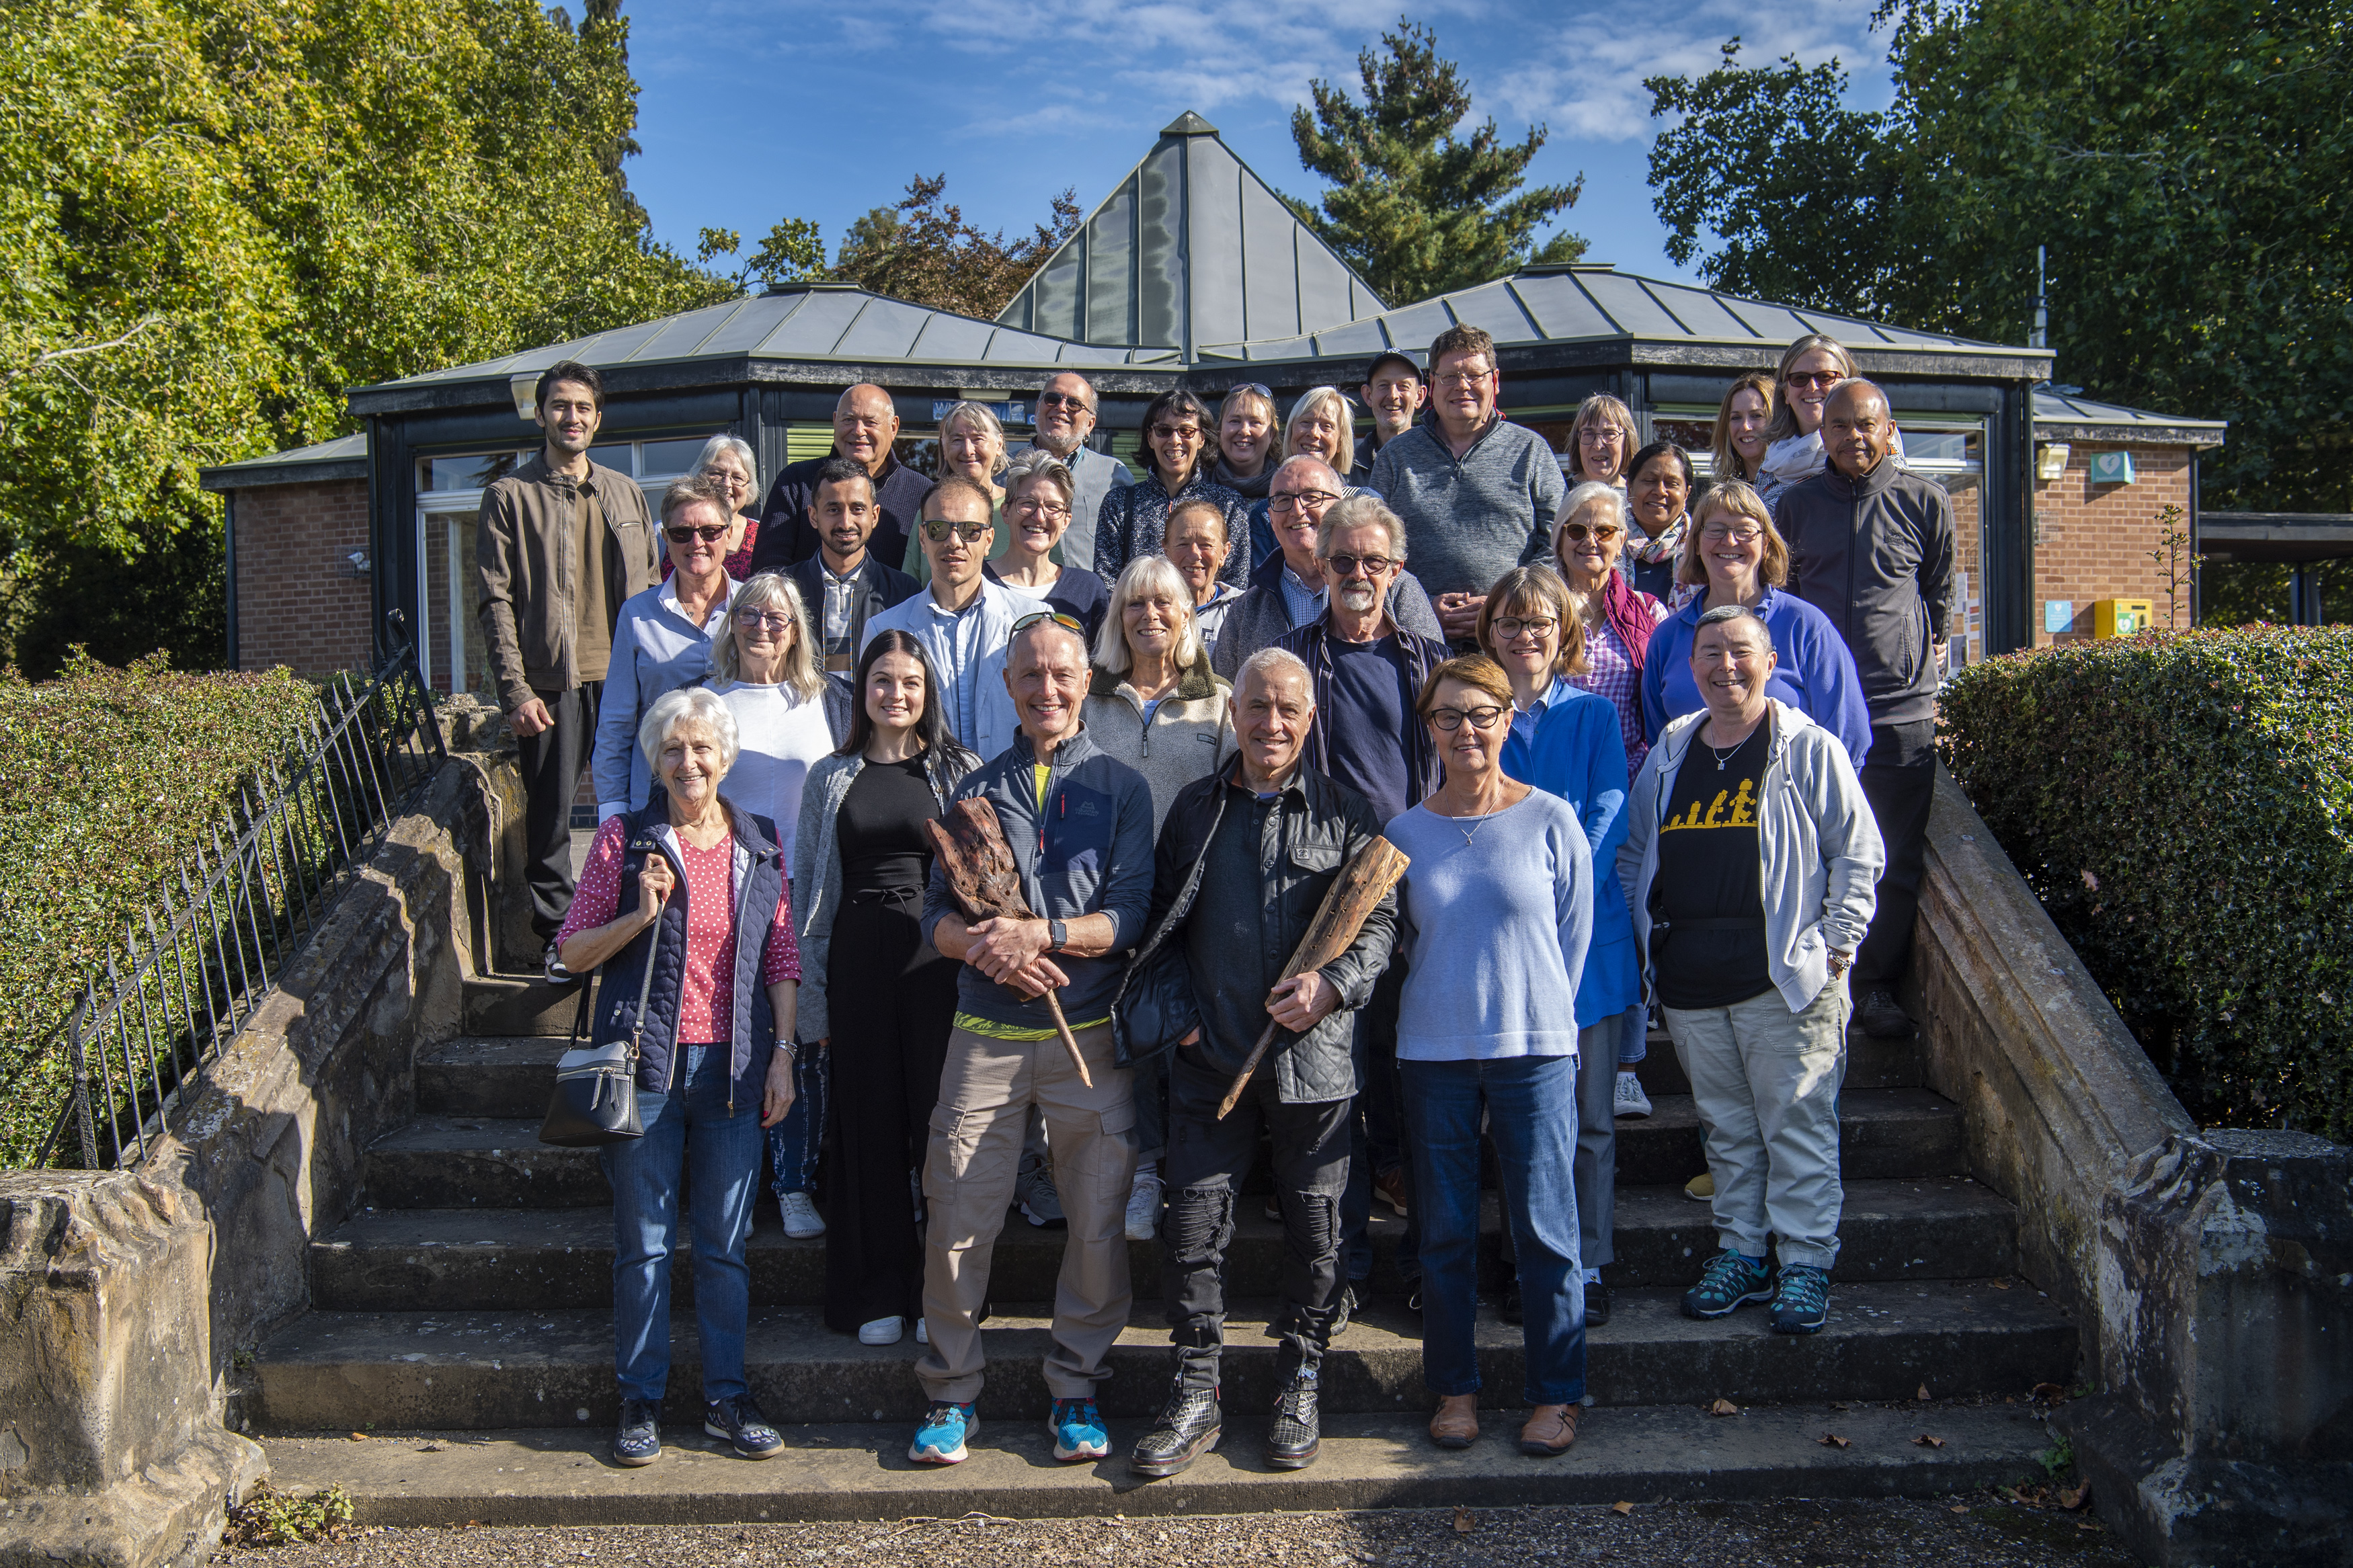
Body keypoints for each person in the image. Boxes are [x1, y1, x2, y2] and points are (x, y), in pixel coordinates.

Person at [1112, 647, 1402, 1477]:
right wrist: (1184, 1022)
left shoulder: (1347, 814)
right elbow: (1158, 930)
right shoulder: (1195, 811)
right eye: (1256, 707)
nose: (1270, 724)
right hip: (1210, 1062)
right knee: (1192, 1230)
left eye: (1287, 709)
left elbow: (1379, 925)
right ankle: (1196, 1386)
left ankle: (1298, 1377)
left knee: (1317, 1234)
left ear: (1309, 719)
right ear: (1230, 713)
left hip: (1315, 1065)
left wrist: (1333, 986)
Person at [910, 614, 1156, 1469]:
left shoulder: (1124, 787)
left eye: (1061, 674)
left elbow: (1130, 912)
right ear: (1007, 686)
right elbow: (929, 915)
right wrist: (980, 945)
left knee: (1094, 1220)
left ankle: (1077, 1384)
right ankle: (948, 1391)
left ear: (1086, 681)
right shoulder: (973, 790)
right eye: (1029, 676)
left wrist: (1039, 934)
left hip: (1088, 1034)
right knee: (956, 1215)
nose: (1046, 690)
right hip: (982, 1031)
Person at [553, 686, 800, 1468]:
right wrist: (638, 912)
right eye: (671, 748)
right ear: (654, 759)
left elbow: (782, 957)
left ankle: (727, 1396)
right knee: (646, 1245)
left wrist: (785, 1054)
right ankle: (641, 1399)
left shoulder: (759, 842)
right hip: (647, 1068)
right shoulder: (624, 841)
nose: (687, 762)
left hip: (733, 1069)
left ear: (725, 758)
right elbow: (570, 951)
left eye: (701, 748)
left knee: (725, 1245)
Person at [1619, 606, 1882, 1334]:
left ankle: (1803, 1260)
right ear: (1687, 666)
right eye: (1708, 652)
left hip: (1784, 978)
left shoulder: (1805, 746)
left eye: (1740, 651)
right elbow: (1636, 852)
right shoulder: (1674, 745)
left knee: (1794, 1124)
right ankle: (1742, 1251)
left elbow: (1857, 853)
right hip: (1692, 978)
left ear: (1769, 663)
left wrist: (1834, 948)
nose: (1723, 665)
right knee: (1726, 1129)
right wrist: (1646, 947)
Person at [1385, 655, 1592, 1458]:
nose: (1465, 730)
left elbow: (1569, 935)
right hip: (1432, 1051)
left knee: (1545, 1229)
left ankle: (1556, 1393)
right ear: (1428, 726)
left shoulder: (1549, 818)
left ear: (1508, 719)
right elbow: (1398, 945)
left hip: (1533, 1048)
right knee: (1442, 1232)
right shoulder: (1404, 834)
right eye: (1447, 716)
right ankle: (1455, 1387)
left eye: (1481, 713)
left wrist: (1540, 1011)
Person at [1275, 492, 1449, 1309]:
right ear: (1320, 566)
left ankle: (1422, 1268)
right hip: (1322, 899)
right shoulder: (1293, 656)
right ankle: (1340, 1270)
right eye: (1340, 560)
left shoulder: (1424, 659)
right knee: (1336, 1088)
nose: (1354, 574)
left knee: (1413, 1087)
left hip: (1414, 892)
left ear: (1395, 570)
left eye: (1370, 562)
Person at [793, 632, 977, 1346]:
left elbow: (981, 874)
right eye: (880, 680)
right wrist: (812, 996)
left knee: (941, 1124)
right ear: (860, 690)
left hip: (938, 963)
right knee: (867, 1123)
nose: (894, 693)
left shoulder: (957, 770)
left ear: (926, 691)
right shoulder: (829, 775)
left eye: (909, 681)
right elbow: (811, 884)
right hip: (857, 959)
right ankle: (874, 1290)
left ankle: (941, 1290)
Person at [1480, 571, 1640, 1321]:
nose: (1524, 635)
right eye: (1509, 622)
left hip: (1588, 947)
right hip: (1504, 946)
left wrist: (1561, 888)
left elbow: (1609, 805)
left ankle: (1588, 1263)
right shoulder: (1476, 716)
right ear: (1490, 632)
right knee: (1520, 1117)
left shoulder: (1593, 716)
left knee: (1589, 1118)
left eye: (1539, 620)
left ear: (1562, 630)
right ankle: (1525, 1258)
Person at [1778, 379, 1956, 1042]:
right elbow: (1787, 604)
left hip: (1898, 712)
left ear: (1888, 430)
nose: (1854, 437)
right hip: (1818, 716)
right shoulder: (1793, 508)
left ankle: (1874, 983)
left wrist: (1918, 660)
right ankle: (1808, 975)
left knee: (1891, 855)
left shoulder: (1924, 502)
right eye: (1840, 425)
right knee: (1808, 852)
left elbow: (1935, 594)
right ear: (1820, 432)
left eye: (1866, 425)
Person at [474, 360, 658, 967]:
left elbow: (656, 585)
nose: (571, 417)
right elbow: (494, 599)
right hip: (550, 684)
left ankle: (635, 925)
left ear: (598, 419)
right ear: (541, 414)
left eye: (582, 407)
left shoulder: (626, 492)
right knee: (551, 820)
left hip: (627, 678)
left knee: (634, 807)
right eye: (560, 406)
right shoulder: (509, 496)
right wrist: (515, 688)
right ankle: (560, 939)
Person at [1084, 554, 1235, 1242]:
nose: (1149, 616)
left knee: (1194, 1045)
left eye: (1163, 604)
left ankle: (1196, 1179)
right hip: (1115, 902)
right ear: (1118, 616)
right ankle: (1143, 1175)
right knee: (1134, 1045)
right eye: (1135, 605)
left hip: (1197, 900)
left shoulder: (1221, 702)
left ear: (1186, 615)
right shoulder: (1090, 700)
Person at [708, 571, 837, 1240]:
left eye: (778, 617)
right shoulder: (705, 701)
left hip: (809, 892)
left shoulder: (823, 700)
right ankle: (735, 1179)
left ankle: (793, 1182)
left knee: (803, 1040)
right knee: (739, 1034)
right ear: (732, 622)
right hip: (728, 895)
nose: (763, 626)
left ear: (797, 631)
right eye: (751, 614)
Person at [1640, 481, 1872, 773]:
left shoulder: (1806, 627)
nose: (1730, 541)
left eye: (1745, 530)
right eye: (1716, 530)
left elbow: (1849, 737)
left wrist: (1821, 805)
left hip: (1789, 808)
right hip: (1695, 809)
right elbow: (1659, 740)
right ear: (1697, 544)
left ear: (1766, 544)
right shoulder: (1667, 637)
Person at [1368, 325, 1564, 645]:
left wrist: (1505, 606)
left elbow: (1558, 544)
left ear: (1495, 381)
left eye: (1474, 375)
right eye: (1449, 377)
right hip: (1418, 643)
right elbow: (1372, 549)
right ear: (1432, 385)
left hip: (1515, 641)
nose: (1462, 386)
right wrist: (1420, 606)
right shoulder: (1395, 457)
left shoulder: (1530, 451)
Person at [593, 475, 742, 825]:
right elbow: (615, 723)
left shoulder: (754, 610)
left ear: (728, 534)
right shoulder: (637, 615)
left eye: (709, 531)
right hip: (659, 796)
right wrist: (613, 813)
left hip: (739, 792)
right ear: (666, 538)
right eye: (682, 533)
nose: (697, 543)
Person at [1211, 456, 1445, 679]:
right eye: (1283, 500)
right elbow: (1227, 700)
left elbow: (1435, 676)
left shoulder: (1394, 587)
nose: (1297, 511)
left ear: (1340, 506)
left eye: (1312, 497)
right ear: (1271, 519)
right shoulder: (1246, 611)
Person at [861, 477, 1025, 762]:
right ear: (922, 539)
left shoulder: (1031, 621)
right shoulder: (883, 630)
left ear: (989, 540)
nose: (954, 542)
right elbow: (872, 733)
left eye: (970, 530)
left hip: (1013, 794)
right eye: (939, 529)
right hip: (923, 796)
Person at [781, 456, 918, 735]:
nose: (846, 522)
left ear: (875, 515)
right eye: (833, 509)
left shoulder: (906, 593)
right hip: (801, 730)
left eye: (858, 509)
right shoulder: (784, 589)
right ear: (812, 515)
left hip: (879, 735)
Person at [750, 384, 928, 575]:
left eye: (870, 422)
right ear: (835, 421)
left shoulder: (922, 493)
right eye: (849, 420)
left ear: (893, 427)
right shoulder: (796, 482)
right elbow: (768, 570)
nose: (859, 430)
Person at [1095, 389, 1249, 590]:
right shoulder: (1120, 503)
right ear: (1150, 438)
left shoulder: (1227, 504)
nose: (1175, 440)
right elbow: (1107, 586)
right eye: (1164, 431)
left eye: (1186, 431)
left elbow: (1235, 589)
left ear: (1201, 438)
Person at [1754, 335, 1905, 510]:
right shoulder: (1772, 461)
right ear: (1786, 393)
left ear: (1850, 384)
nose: (1812, 387)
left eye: (1825, 377)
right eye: (1800, 378)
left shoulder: (1879, 450)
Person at [986, 448, 1110, 643]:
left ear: (1066, 521)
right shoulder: (976, 584)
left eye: (1053, 507)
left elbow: (1103, 668)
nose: (1039, 517)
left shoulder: (1087, 590)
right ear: (1006, 512)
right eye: (1028, 503)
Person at [1249, 386, 1377, 569]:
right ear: (1291, 432)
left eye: (1327, 426)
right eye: (1306, 423)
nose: (1314, 433)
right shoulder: (1265, 515)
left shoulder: (1366, 503)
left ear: (1340, 442)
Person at [1022, 372, 1132, 574]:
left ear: (1090, 424)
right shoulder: (1003, 470)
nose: (1061, 407)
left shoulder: (1114, 476)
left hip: (1090, 602)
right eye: (1052, 398)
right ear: (1038, 408)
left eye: (1074, 404)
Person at [902, 401, 1010, 584]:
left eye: (978, 439)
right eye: (957, 440)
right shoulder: (930, 513)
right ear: (944, 448)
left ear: (998, 444)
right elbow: (909, 586)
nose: (968, 450)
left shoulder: (1022, 511)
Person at [1161, 499, 1244, 659]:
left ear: (1224, 553)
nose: (1194, 555)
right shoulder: (1148, 610)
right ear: (1166, 550)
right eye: (1183, 544)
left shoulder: (1243, 608)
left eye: (1206, 544)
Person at [1625, 441, 1696, 604]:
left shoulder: (1703, 547)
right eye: (1650, 480)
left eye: (1672, 484)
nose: (1660, 491)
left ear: (1686, 494)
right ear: (1629, 488)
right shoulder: (1606, 541)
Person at [686, 435, 762, 581]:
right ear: (698, 476)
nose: (726, 483)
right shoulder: (671, 533)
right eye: (717, 474)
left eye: (738, 477)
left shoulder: (763, 535)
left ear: (749, 486)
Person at [1211, 383, 1279, 520]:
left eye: (1255, 422)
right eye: (1235, 421)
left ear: (1271, 434)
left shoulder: (1287, 487)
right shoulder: (1194, 484)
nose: (1244, 431)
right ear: (1220, 430)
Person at [1354, 349, 1425, 470]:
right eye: (1383, 385)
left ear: (1419, 396)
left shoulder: (1439, 462)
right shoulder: (1348, 468)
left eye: (1403, 386)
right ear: (1368, 395)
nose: (1393, 395)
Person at [1710, 372, 1776, 489]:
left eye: (1756, 416)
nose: (1745, 427)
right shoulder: (1726, 496)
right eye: (1736, 418)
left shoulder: (1794, 484)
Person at [1564, 394, 1638, 489]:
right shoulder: (1558, 495)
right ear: (1577, 441)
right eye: (1589, 434)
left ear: (1627, 441)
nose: (1598, 445)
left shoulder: (1639, 498)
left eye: (1609, 433)